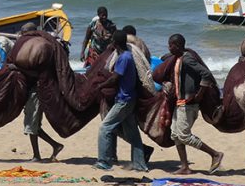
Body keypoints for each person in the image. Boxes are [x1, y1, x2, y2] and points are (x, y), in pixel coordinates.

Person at [164, 34, 224, 175]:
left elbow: (206, 74)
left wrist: (199, 94)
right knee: (175, 134)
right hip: (179, 102)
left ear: (178, 45)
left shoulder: (187, 58)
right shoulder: (177, 59)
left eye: (171, 45)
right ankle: (185, 166)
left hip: (188, 105)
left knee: (184, 135)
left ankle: (215, 154)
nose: (169, 47)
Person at [94, 31, 152, 172]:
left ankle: (104, 162)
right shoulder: (126, 55)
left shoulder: (124, 58)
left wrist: (101, 85)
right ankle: (140, 164)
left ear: (115, 43)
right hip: (129, 99)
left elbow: (115, 78)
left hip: (123, 100)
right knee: (132, 134)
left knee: (105, 128)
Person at [18, 22, 65, 162]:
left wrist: (17, 68)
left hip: (38, 91)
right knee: (33, 125)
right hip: (36, 90)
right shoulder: (37, 47)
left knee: (32, 125)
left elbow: (38, 73)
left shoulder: (40, 49)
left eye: (24, 34)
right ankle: (54, 146)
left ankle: (37, 155)